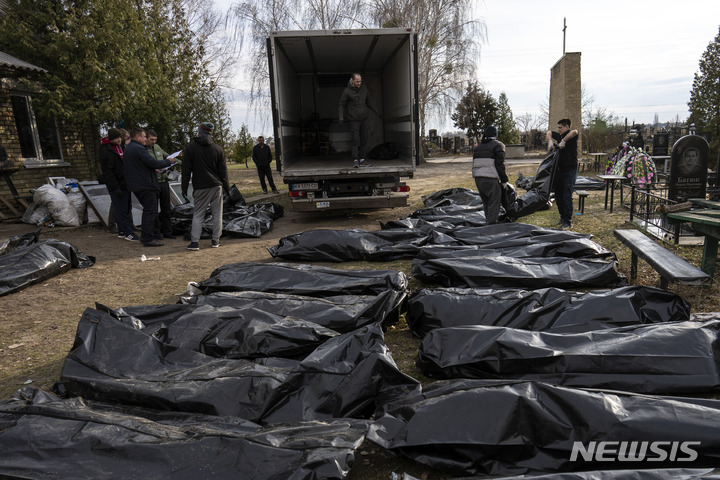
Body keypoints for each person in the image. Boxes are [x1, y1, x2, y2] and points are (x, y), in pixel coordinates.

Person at [182, 121, 230, 251]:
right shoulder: (218, 149)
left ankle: (195, 242)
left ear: (199, 132)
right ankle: (215, 240)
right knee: (217, 214)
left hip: (200, 187)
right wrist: (227, 188)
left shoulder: (191, 148)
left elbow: (186, 170)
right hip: (216, 186)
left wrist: (184, 188)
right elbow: (223, 172)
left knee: (198, 214)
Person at [123, 127, 171, 246]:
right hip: (146, 185)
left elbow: (141, 166)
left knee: (149, 210)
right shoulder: (139, 148)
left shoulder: (129, 148)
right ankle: (148, 238)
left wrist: (153, 170)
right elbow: (153, 162)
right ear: (138, 137)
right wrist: (169, 161)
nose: (146, 139)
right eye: (144, 137)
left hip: (137, 184)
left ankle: (150, 235)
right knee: (150, 211)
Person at [100, 128, 138, 241]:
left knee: (126, 207)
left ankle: (122, 230)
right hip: (116, 184)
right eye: (117, 138)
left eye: (120, 137)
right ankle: (128, 232)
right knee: (120, 209)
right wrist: (115, 186)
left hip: (125, 182)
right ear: (111, 138)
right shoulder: (105, 150)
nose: (119, 139)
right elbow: (108, 171)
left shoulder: (119, 148)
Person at [338, 73, 381, 168]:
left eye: (360, 81)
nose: (359, 83)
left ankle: (362, 160)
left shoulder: (364, 89)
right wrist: (341, 118)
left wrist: (377, 112)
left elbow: (369, 102)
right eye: (357, 81)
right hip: (353, 120)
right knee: (355, 139)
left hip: (364, 119)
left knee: (364, 139)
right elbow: (341, 105)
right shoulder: (347, 91)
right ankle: (355, 160)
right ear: (352, 80)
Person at [547, 118, 579, 229]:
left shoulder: (572, 136)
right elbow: (549, 132)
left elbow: (575, 132)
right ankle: (562, 217)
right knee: (559, 195)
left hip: (570, 170)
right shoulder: (559, 136)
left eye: (560, 127)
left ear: (567, 127)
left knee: (566, 195)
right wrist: (550, 141)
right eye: (558, 127)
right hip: (560, 171)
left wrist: (564, 141)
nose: (558, 129)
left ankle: (568, 220)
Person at [472, 125, 507, 224]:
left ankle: (488, 221)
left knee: (486, 202)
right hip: (490, 178)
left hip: (478, 178)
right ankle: (491, 227)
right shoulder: (498, 145)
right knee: (494, 202)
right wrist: (504, 180)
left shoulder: (478, 147)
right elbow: (500, 165)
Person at [146, 130, 177, 239]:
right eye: (151, 140)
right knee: (153, 210)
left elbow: (168, 156)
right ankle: (156, 233)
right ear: (146, 138)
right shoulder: (143, 150)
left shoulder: (158, 147)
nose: (153, 142)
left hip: (164, 181)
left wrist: (175, 160)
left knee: (166, 209)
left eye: (155, 140)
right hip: (153, 183)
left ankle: (168, 232)